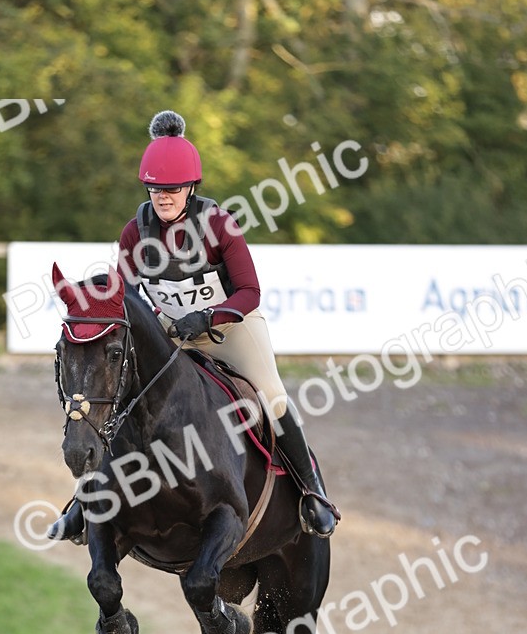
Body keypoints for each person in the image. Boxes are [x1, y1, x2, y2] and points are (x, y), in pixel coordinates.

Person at [49, 109, 339, 543]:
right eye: (155, 189)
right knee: (118, 397)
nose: (163, 197)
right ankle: (83, 501)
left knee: (272, 394)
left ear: (190, 188)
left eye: (172, 189)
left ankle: (312, 492)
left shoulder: (219, 225)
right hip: (173, 334)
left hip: (231, 329)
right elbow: (123, 299)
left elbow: (249, 292)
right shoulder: (135, 234)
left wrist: (208, 318)